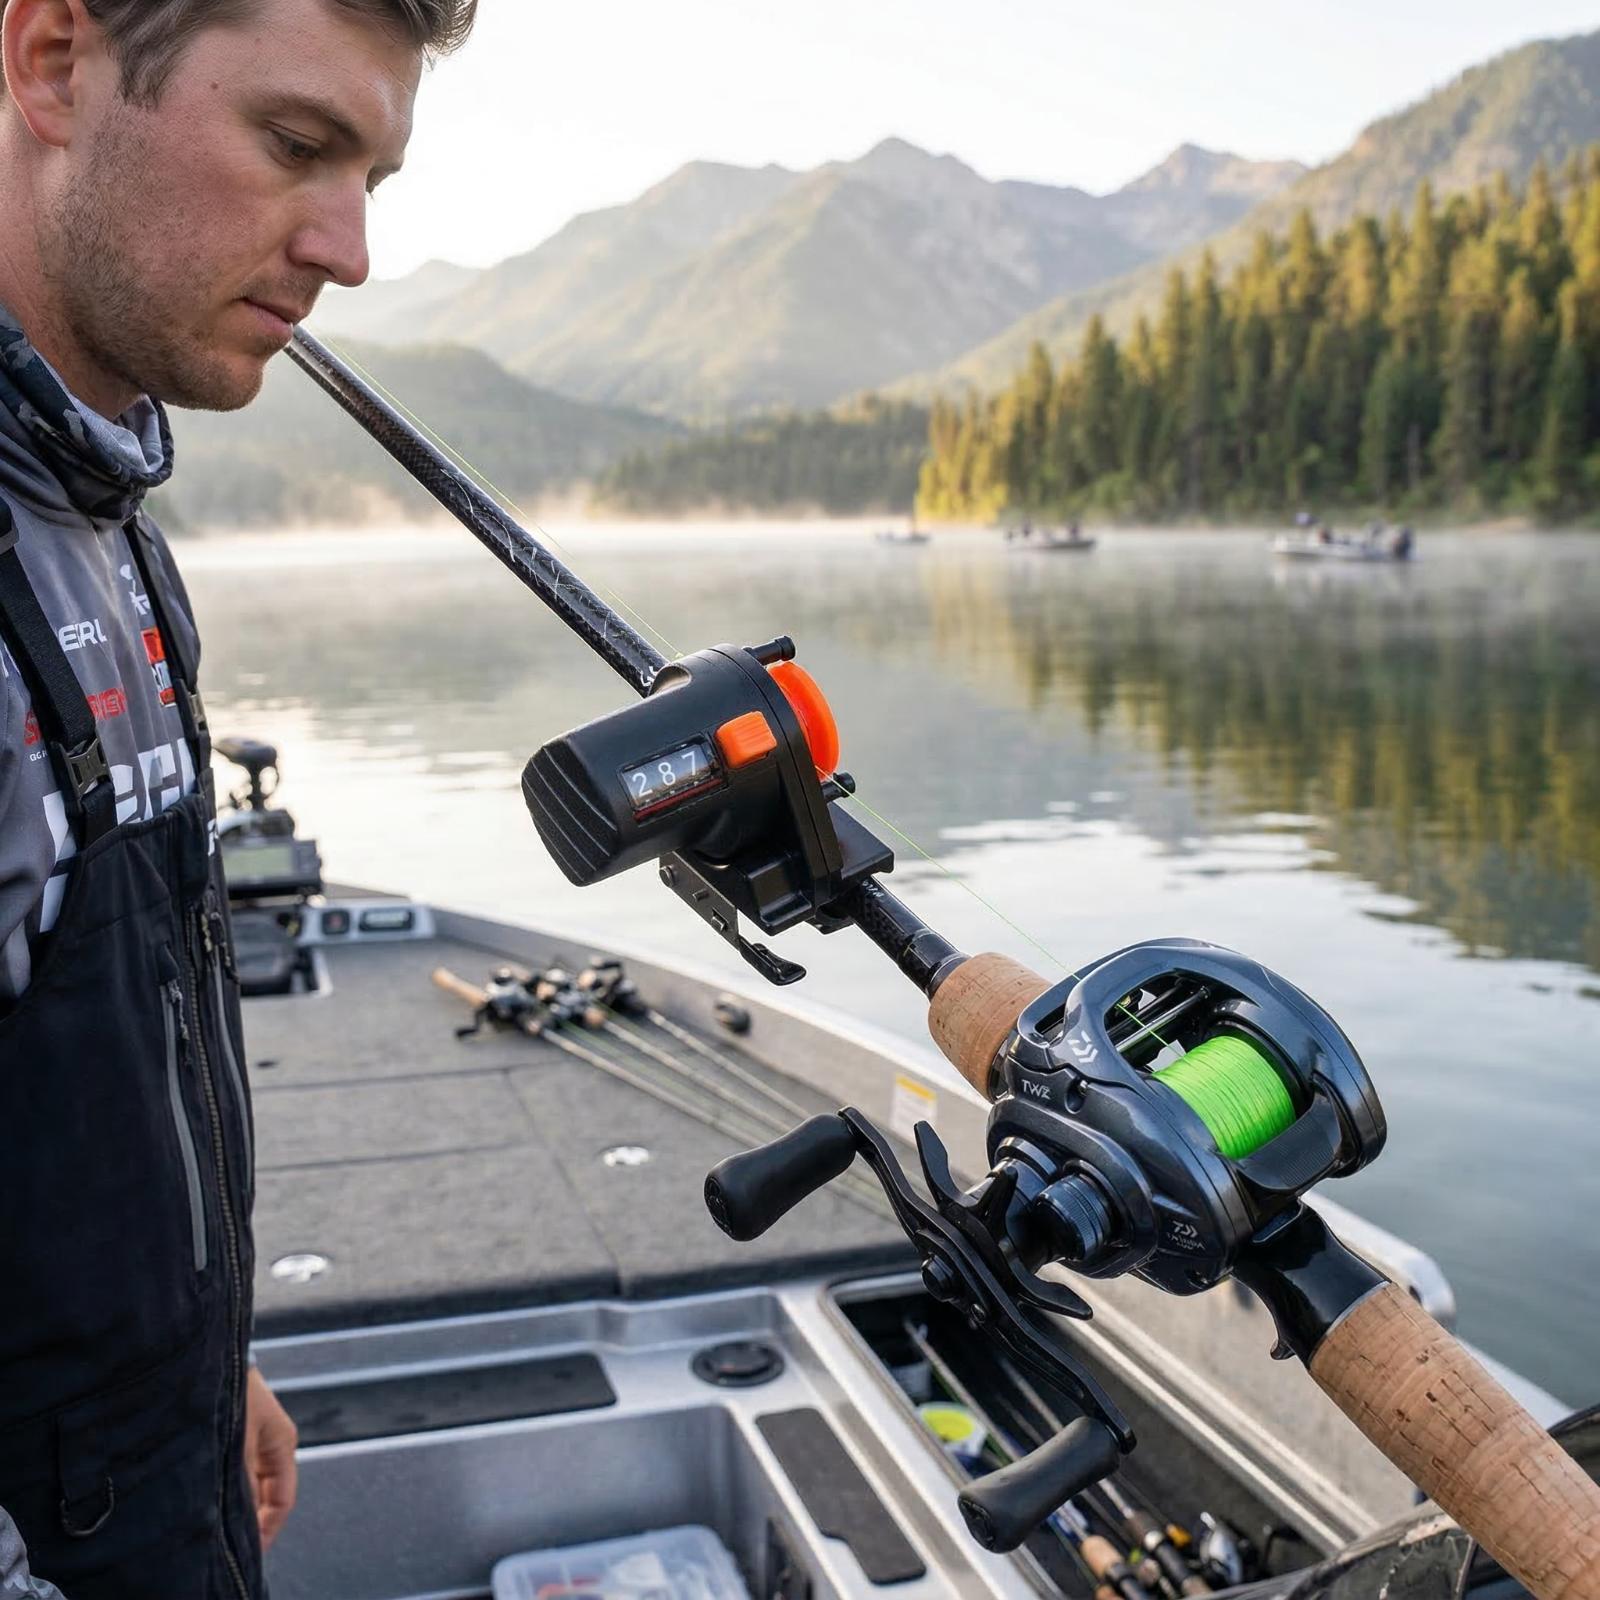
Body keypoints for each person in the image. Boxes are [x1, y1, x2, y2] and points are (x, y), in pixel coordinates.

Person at [0, 1, 476, 1595]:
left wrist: (195, 1372)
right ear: (54, 63)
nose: (348, 251)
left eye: (369, 180)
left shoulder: (108, 523)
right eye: (293, 145)